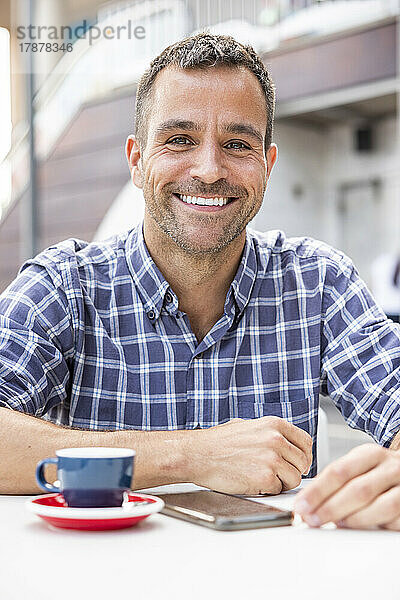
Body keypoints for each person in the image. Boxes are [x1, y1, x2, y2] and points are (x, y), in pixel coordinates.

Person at [1, 32, 400, 531]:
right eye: (179, 140)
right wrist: (188, 455)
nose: (210, 170)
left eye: (237, 144)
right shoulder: (63, 287)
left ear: (268, 166)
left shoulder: (319, 283)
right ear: (137, 161)